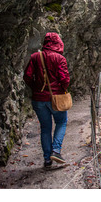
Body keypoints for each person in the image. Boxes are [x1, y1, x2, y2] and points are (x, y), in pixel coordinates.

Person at [23, 32, 70, 169]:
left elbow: (27, 76)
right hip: (56, 99)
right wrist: (61, 89)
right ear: (58, 43)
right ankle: (56, 151)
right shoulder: (59, 58)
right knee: (61, 122)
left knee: (45, 128)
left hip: (38, 99)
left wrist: (35, 88)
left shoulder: (35, 57)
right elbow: (65, 79)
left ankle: (47, 160)